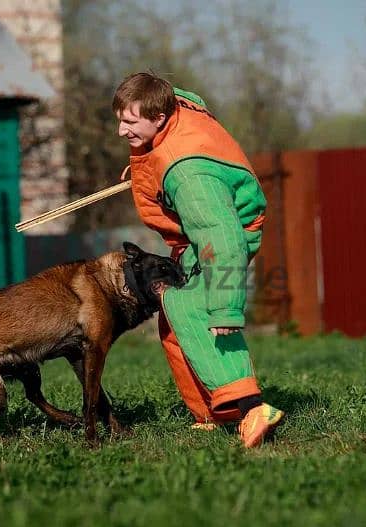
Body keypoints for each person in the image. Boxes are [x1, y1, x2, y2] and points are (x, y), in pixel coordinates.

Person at [112, 72, 284, 447]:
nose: (121, 130)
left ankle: (252, 407)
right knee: (175, 319)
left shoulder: (188, 175)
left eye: (130, 121)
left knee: (193, 308)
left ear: (158, 117)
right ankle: (213, 412)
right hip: (207, 233)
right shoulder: (170, 110)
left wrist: (224, 308)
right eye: (120, 120)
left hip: (221, 236)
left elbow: (221, 240)